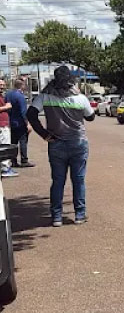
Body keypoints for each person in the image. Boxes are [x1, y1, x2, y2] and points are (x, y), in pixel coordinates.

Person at [27, 66, 95, 227]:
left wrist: (44, 134)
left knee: (58, 181)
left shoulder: (45, 97)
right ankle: (79, 214)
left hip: (56, 142)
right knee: (78, 180)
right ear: (71, 79)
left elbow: (30, 114)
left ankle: (57, 217)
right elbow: (91, 117)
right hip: (78, 142)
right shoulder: (79, 98)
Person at [5, 79, 34, 168]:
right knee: (23, 141)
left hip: (11, 121)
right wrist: (27, 124)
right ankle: (24, 160)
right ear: (22, 86)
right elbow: (23, 112)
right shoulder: (20, 96)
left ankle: (13, 160)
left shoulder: (8, 94)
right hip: (20, 123)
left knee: (13, 142)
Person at [0, 80, 18, 178]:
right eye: (0, 85)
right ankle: (5, 168)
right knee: (5, 147)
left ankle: (4, 167)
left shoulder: (3, 96)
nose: (2, 87)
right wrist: (6, 107)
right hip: (2, 125)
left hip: (4, 124)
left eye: (3, 85)